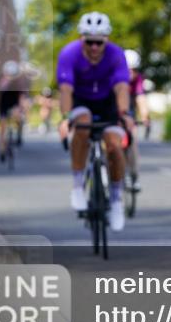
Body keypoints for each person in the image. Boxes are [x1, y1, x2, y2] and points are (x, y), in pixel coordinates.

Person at [56, 12, 134, 232]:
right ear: (81, 38)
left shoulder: (116, 54)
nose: (93, 47)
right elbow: (65, 90)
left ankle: (117, 200)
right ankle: (78, 185)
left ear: (105, 40)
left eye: (98, 42)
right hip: (81, 101)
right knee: (82, 122)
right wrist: (64, 118)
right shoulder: (69, 54)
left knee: (114, 145)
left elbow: (121, 87)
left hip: (108, 103)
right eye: (88, 42)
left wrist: (124, 113)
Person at [124, 49, 150, 192]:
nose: (131, 74)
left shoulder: (138, 80)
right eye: (128, 70)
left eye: (134, 70)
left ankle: (134, 175)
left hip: (130, 113)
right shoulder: (114, 77)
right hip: (114, 113)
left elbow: (141, 99)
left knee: (132, 141)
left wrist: (145, 117)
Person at [0, 60, 27, 162]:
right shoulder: (3, 80)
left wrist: (22, 108)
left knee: (19, 117)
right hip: (3, 106)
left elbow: (21, 96)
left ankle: (18, 134)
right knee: (2, 129)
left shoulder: (19, 82)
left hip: (14, 105)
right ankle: (2, 151)